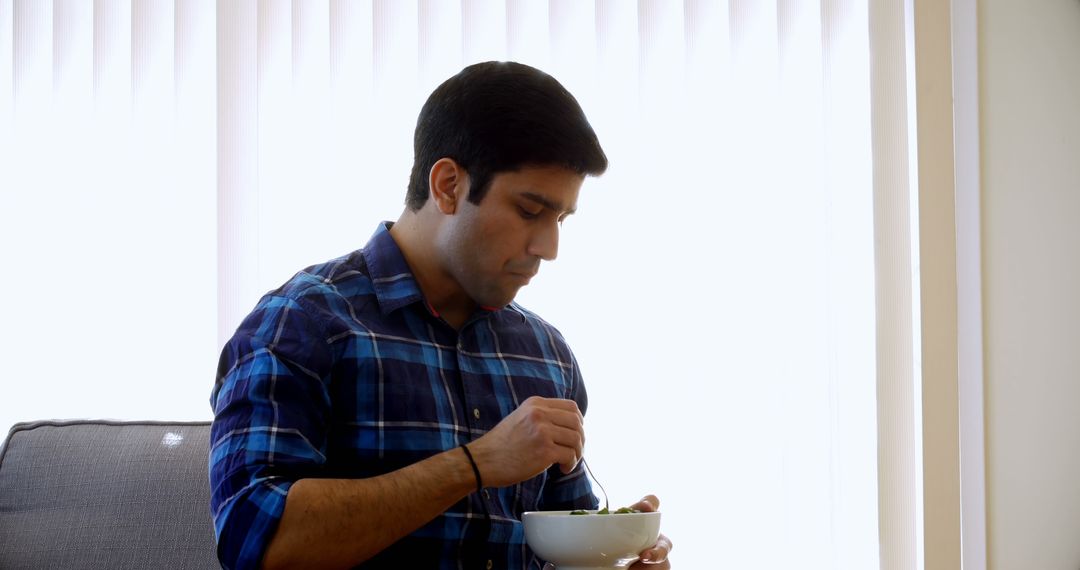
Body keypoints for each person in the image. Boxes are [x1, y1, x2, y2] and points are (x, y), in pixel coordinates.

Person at [209, 61, 672, 570]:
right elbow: (254, 541)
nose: (549, 247)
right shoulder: (301, 324)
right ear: (448, 184)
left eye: (561, 218)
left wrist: (618, 554)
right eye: (529, 210)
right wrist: (475, 465)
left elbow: (568, 547)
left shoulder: (547, 354)